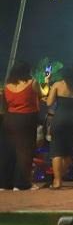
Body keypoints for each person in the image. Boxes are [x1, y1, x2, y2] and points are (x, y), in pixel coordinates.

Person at [3, 61, 48, 190]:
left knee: (10, 151)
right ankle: (22, 183)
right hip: (27, 119)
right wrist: (46, 81)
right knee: (25, 151)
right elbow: (43, 94)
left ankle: (5, 183)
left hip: (10, 120)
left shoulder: (7, 86)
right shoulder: (32, 83)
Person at [47, 64, 73, 189]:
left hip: (59, 119)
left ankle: (57, 180)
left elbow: (49, 102)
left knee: (57, 151)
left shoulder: (58, 85)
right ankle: (61, 176)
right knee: (70, 152)